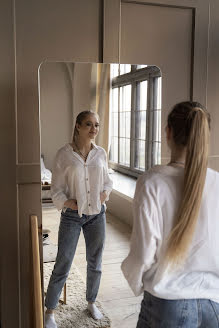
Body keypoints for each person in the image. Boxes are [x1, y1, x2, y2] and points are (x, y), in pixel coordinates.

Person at [121, 101, 219, 327]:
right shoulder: (217, 182)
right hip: (214, 304)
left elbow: (144, 252)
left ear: (168, 132)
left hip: (169, 304)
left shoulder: (152, 182)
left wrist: (140, 285)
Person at [45, 110, 113, 328]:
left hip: (97, 215)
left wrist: (104, 195)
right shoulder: (64, 155)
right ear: (77, 126)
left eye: (97, 125)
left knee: (96, 262)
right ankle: (50, 310)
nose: (94, 129)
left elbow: (108, 182)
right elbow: (56, 189)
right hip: (72, 217)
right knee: (64, 260)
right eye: (88, 124)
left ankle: (91, 302)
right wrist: (69, 203)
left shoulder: (100, 153)